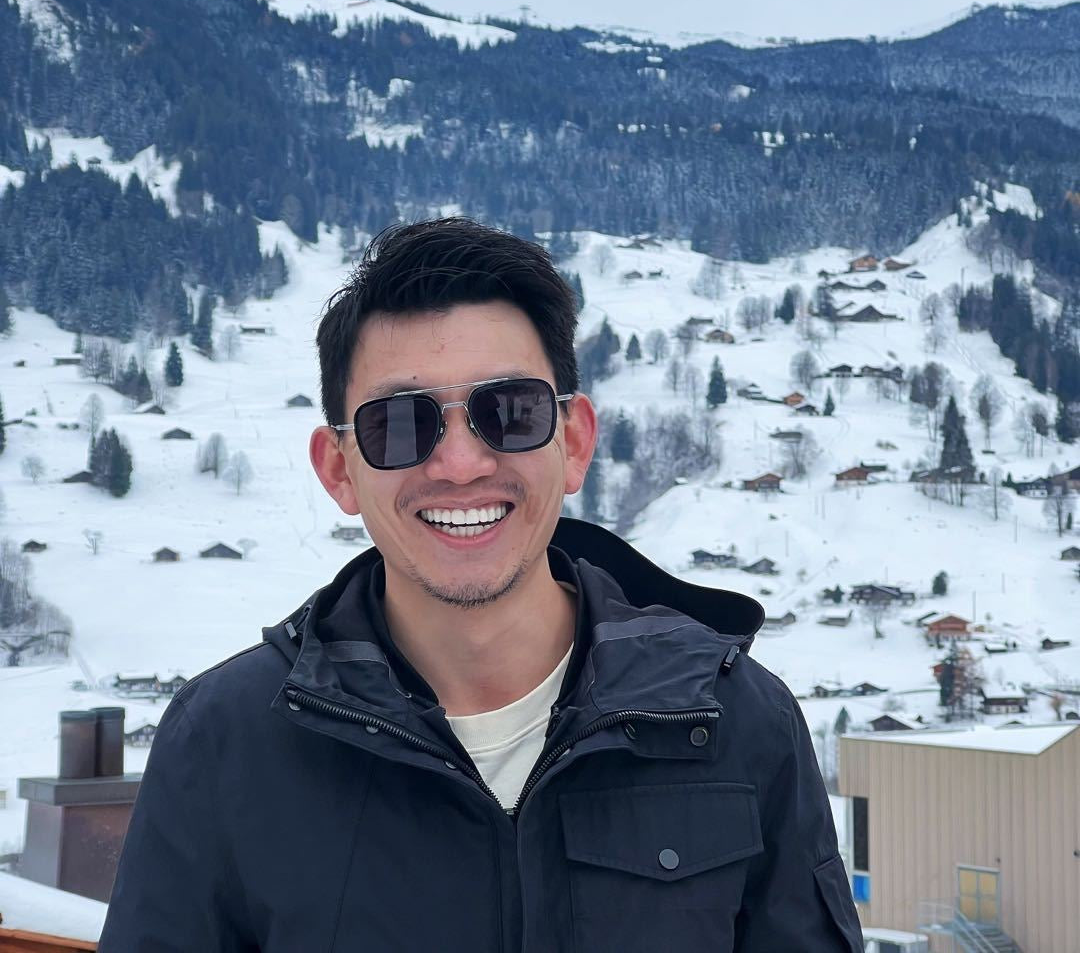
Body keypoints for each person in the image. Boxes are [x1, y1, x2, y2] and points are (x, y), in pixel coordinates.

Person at [100, 218, 863, 951]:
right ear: (339, 468)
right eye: (401, 423)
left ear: (574, 442)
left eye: (510, 412)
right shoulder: (226, 746)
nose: (461, 465)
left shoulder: (735, 724)